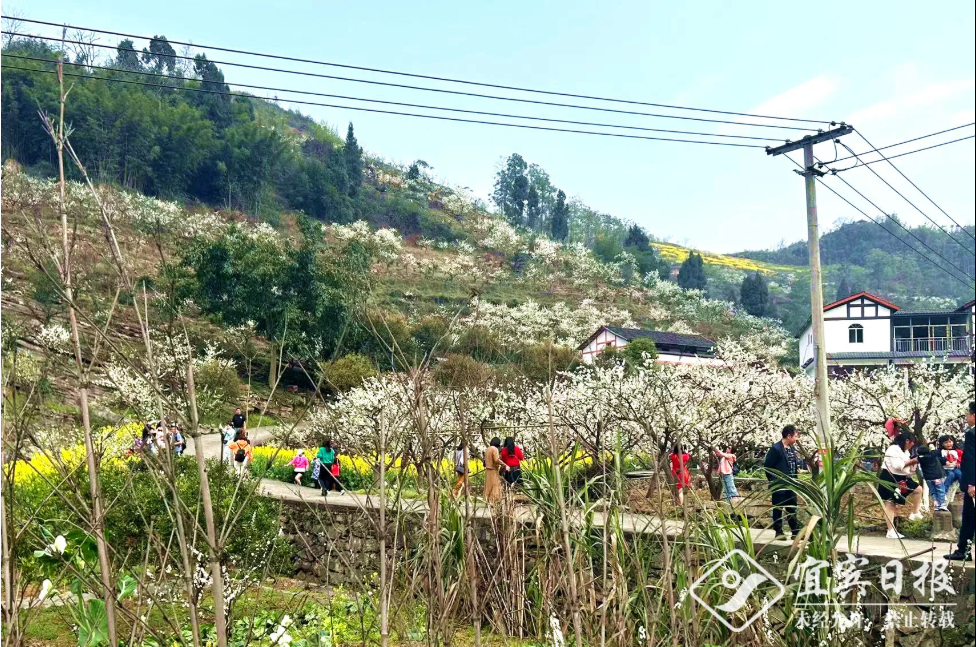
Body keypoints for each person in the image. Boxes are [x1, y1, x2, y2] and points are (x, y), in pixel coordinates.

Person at [878, 431, 923, 539]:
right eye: (912, 442)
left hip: (902, 477)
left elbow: (907, 468)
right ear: (906, 441)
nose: (912, 445)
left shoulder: (906, 451)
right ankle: (890, 530)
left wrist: (914, 464)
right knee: (890, 503)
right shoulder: (893, 449)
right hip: (890, 477)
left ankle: (915, 513)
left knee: (918, 489)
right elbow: (897, 465)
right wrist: (913, 460)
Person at [945, 402, 975, 561]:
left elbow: (971, 459)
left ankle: (963, 550)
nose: (967, 418)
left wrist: (972, 483)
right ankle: (963, 550)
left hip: (974, 485)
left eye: (968, 414)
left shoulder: (972, 434)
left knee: (970, 518)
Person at [764, 425, 802, 541]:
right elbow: (767, 466)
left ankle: (795, 532)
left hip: (791, 484)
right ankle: (779, 532)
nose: (797, 439)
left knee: (792, 508)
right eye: (795, 436)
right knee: (778, 509)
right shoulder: (775, 449)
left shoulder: (792, 449)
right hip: (779, 485)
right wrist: (774, 480)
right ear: (789, 436)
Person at [916, 442, 946, 512]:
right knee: (940, 490)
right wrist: (930, 443)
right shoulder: (932, 455)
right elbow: (934, 450)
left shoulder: (920, 458)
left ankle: (936, 504)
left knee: (933, 491)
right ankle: (942, 504)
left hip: (928, 479)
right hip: (937, 477)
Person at [939, 435, 962, 501]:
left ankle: (965, 488)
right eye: (946, 442)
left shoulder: (956, 451)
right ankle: (943, 493)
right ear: (942, 444)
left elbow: (961, 457)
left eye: (950, 442)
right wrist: (944, 461)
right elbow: (937, 458)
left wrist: (958, 462)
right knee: (951, 475)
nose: (949, 444)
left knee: (959, 474)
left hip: (954, 468)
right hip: (946, 469)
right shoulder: (941, 451)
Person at [483, 438, 503, 502]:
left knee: (488, 486)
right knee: (495, 486)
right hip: (493, 470)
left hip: (487, 470)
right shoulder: (495, 449)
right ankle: (494, 500)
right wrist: (504, 464)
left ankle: (487, 499)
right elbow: (496, 459)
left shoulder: (488, 449)